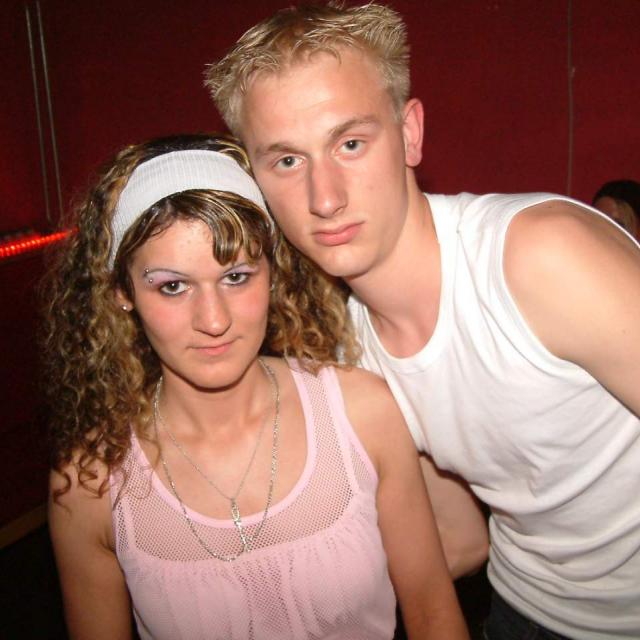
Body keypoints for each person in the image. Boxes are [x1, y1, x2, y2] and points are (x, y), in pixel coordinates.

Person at [205, 4, 640, 640]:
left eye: (350, 144)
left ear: (409, 134)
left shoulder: (539, 256)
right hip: (524, 609)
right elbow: (458, 537)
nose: (325, 198)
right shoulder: (349, 349)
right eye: (288, 161)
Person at [43, 133, 469, 640]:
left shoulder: (362, 413)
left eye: (237, 277)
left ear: (272, 272)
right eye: (173, 286)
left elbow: (433, 614)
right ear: (122, 292)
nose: (214, 320)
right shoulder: (92, 483)